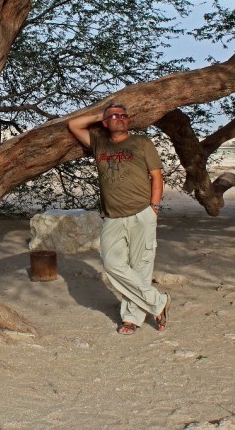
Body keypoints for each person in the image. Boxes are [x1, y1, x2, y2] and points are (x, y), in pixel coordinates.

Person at [68, 102, 171, 335]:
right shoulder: (99, 143)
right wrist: (100, 115)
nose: (120, 119)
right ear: (105, 123)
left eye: (123, 115)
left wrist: (153, 208)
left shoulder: (142, 143)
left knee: (140, 267)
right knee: (113, 264)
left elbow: (157, 176)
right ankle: (158, 302)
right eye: (114, 116)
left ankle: (131, 318)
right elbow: (73, 124)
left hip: (141, 213)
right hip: (113, 217)